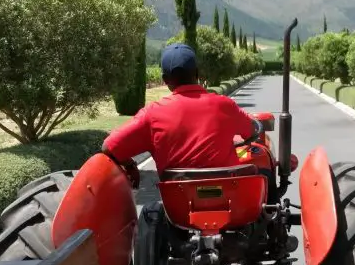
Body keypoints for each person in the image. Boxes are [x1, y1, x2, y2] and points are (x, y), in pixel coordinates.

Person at [102, 43, 257, 188]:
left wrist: (129, 165)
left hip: (177, 210)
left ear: (165, 80)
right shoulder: (225, 105)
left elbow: (108, 147)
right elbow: (251, 131)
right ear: (197, 73)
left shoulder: (151, 114)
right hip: (229, 201)